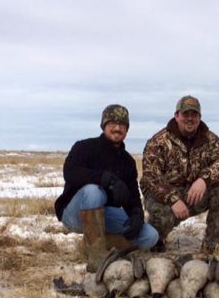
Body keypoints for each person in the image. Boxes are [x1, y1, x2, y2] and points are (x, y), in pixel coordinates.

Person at [54, 104, 158, 271]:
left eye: (122, 125)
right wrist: (104, 178)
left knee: (150, 236)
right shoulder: (84, 147)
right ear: (103, 125)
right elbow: (70, 173)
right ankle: (96, 258)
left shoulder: (128, 162)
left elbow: (132, 195)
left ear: (127, 129)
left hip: (105, 215)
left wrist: (137, 216)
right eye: (112, 124)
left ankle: (98, 242)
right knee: (94, 191)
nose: (117, 128)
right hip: (74, 214)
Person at [140, 95, 219, 251]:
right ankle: (155, 240)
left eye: (194, 115)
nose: (190, 119)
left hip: (194, 193)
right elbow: (150, 178)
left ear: (199, 117)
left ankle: (216, 246)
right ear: (176, 116)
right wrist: (173, 199)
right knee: (157, 228)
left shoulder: (209, 139)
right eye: (185, 114)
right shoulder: (158, 142)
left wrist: (204, 179)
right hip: (165, 197)